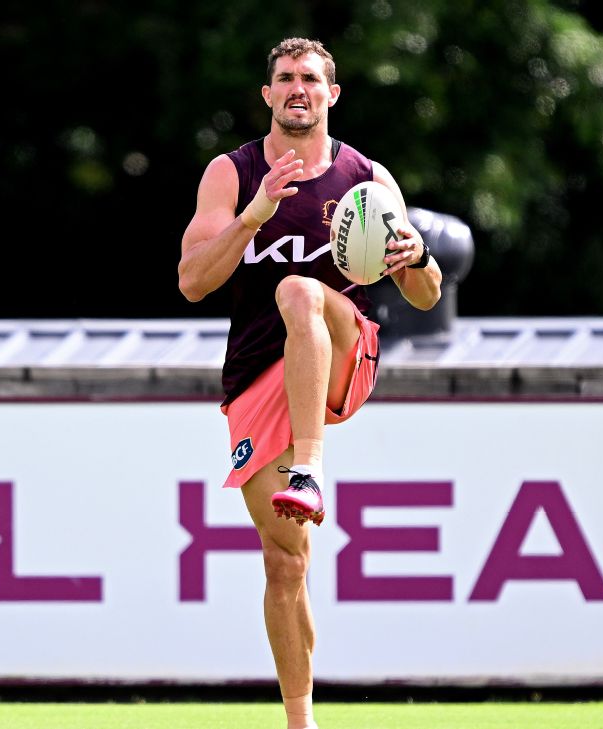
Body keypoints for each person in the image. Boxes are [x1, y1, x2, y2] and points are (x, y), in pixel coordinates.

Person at [177, 37, 442, 729]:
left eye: (311, 79)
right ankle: (302, 721)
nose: (298, 88)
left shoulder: (367, 177)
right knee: (284, 561)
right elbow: (193, 281)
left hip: (344, 351)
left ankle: (311, 466)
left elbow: (424, 293)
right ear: (268, 95)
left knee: (298, 289)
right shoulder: (231, 174)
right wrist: (252, 217)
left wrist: (418, 257)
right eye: (285, 78)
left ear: (332, 94)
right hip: (259, 376)